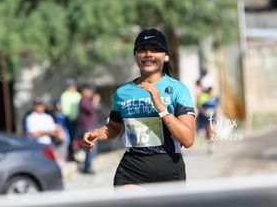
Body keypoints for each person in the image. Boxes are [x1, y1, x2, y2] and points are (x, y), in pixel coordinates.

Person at [83, 28, 196, 187]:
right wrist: (96, 134)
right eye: (142, 49)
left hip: (169, 169)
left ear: (166, 56)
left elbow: (188, 139)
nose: (148, 54)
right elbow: (114, 128)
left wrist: (162, 108)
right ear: (136, 56)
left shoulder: (178, 90)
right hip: (132, 169)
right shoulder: (123, 93)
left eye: (155, 49)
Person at [76, 84, 101, 174]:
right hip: (87, 128)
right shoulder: (83, 100)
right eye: (90, 91)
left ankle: (88, 166)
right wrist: (95, 101)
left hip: (91, 127)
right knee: (91, 149)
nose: (91, 93)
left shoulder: (86, 100)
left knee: (92, 150)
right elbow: (92, 110)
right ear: (84, 91)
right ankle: (87, 168)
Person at [60, 78, 82, 162]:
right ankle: (71, 154)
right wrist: (73, 117)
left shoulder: (78, 95)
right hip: (69, 120)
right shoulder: (64, 95)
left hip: (79, 120)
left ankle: (79, 153)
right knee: (70, 138)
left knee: (78, 137)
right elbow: (66, 110)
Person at [196, 84, 221, 154]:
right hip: (204, 117)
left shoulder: (215, 97)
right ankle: (210, 144)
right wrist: (203, 111)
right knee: (208, 131)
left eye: (211, 89)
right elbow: (198, 106)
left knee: (211, 130)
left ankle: (211, 144)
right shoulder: (203, 97)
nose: (210, 91)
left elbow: (218, 106)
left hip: (212, 117)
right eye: (209, 89)